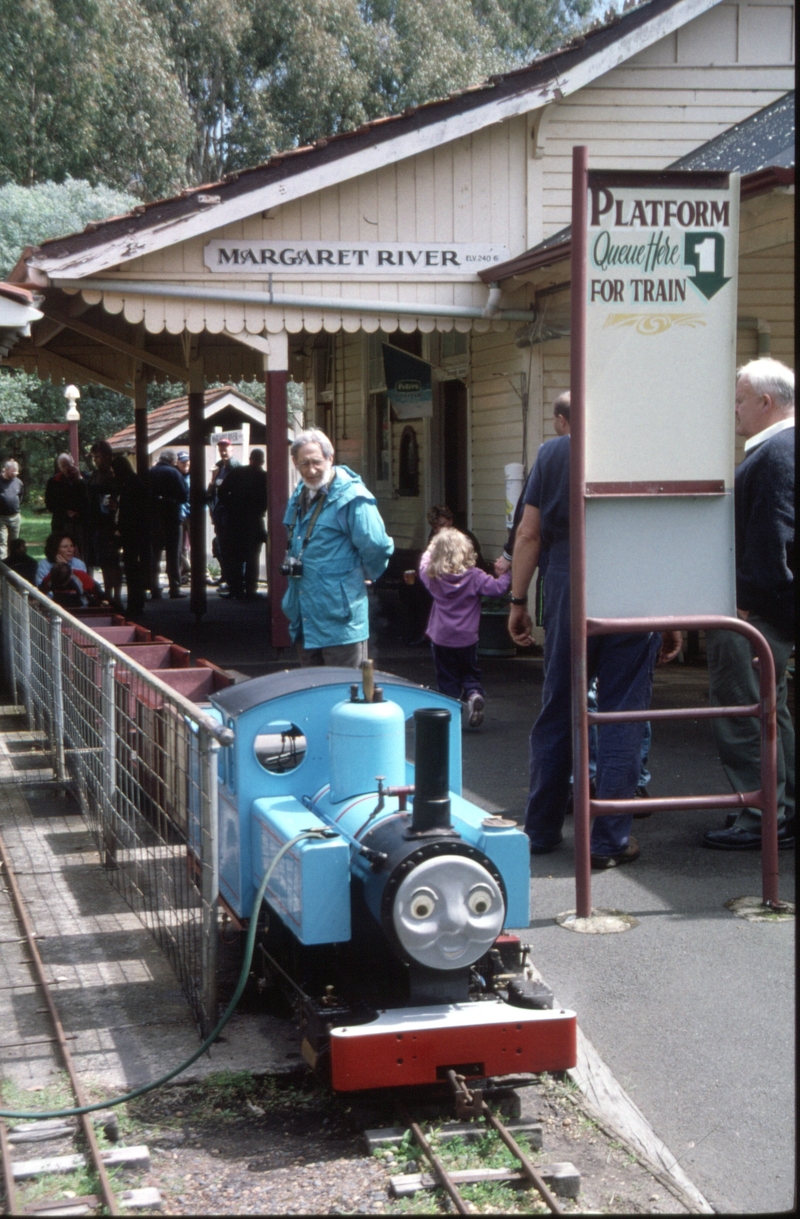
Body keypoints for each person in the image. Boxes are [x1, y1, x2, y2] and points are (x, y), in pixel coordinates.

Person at [508, 430, 681, 867]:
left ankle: (541, 829)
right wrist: (671, 613)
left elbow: (529, 534)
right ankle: (608, 840)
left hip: (569, 577)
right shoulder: (649, 446)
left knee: (560, 707)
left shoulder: (554, 452)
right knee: (623, 713)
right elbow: (668, 534)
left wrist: (517, 599)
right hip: (635, 582)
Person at [703, 357, 795, 850]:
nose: (734, 410)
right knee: (773, 711)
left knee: (744, 711)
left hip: (754, 613)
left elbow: (773, 535)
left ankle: (759, 817)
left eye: (740, 401)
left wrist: (747, 605)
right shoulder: (781, 450)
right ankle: (784, 808)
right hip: (772, 610)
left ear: (765, 402)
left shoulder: (775, 453)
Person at [282, 428, 394, 666]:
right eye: (304, 463)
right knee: (313, 694)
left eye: (316, 462)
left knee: (346, 693)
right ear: (294, 462)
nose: (311, 470)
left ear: (330, 459)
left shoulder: (352, 497)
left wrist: (363, 575)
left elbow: (377, 545)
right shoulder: (299, 494)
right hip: (305, 617)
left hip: (340, 620)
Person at [419, 527, 511, 727]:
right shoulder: (475, 576)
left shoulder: (434, 576)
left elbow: (423, 565)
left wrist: (430, 548)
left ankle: (451, 714)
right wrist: (505, 573)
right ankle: (474, 694)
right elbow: (498, 589)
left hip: (442, 637)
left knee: (447, 676)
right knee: (469, 671)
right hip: (467, 638)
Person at [217, 449, 268, 599]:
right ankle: (251, 590)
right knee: (253, 556)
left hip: (235, 519)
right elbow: (268, 499)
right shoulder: (264, 476)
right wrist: (260, 510)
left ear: (250, 458)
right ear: (262, 461)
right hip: (254, 520)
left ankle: (236, 589)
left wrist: (231, 505)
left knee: (235, 556)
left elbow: (221, 492)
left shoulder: (238, 472)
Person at [111, 455, 150, 615]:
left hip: (132, 533)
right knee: (133, 569)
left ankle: (135, 604)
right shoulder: (133, 483)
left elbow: (131, 511)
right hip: (135, 532)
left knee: (132, 568)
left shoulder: (130, 485)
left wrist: (120, 527)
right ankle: (136, 603)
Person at [147, 449, 188, 599]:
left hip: (154, 518)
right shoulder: (174, 473)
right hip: (172, 517)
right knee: (173, 554)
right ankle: (174, 587)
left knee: (155, 554)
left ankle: (154, 586)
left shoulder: (151, 472)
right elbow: (184, 495)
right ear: (173, 460)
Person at [86, 441, 122, 602]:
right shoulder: (95, 475)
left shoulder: (114, 475)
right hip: (96, 523)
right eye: (94, 458)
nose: (96, 461)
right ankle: (108, 595)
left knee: (112, 562)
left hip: (110, 523)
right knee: (104, 562)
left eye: (98, 457)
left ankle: (117, 597)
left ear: (107, 456)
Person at [207, 438, 240, 590]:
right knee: (220, 546)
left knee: (230, 549)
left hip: (231, 517)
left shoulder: (236, 468)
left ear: (232, 449)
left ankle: (233, 582)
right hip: (219, 516)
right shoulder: (219, 468)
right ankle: (226, 576)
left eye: (226, 448)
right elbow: (212, 492)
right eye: (220, 449)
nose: (223, 451)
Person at [45, 453, 90, 555]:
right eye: (63, 466)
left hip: (81, 522)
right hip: (62, 522)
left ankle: (85, 570)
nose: (66, 469)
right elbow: (50, 503)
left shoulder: (85, 478)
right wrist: (65, 512)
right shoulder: (53, 482)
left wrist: (79, 479)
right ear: (59, 467)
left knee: (85, 551)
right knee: (62, 551)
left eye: (68, 465)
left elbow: (89, 498)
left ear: (73, 463)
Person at [42, 560, 107, 608]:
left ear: (70, 575)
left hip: (80, 608)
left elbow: (97, 591)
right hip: (58, 607)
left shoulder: (81, 577)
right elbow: (41, 592)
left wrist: (102, 602)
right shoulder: (50, 577)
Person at [0, 459, 24, 561]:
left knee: (14, 544)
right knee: (2, 542)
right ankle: (3, 568)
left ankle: (14, 566)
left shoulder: (18, 482)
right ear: (6, 470)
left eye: (16, 471)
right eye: (12, 471)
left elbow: (21, 497)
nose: (15, 474)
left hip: (15, 517)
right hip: (1, 518)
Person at [176, 451, 191, 583]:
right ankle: (186, 569)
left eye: (187, 461)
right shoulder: (175, 475)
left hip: (192, 514)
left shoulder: (194, 475)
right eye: (182, 461)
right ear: (177, 462)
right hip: (179, 514)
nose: (185, 463)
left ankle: (195, 571)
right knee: (180, 547)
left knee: (195, 545)